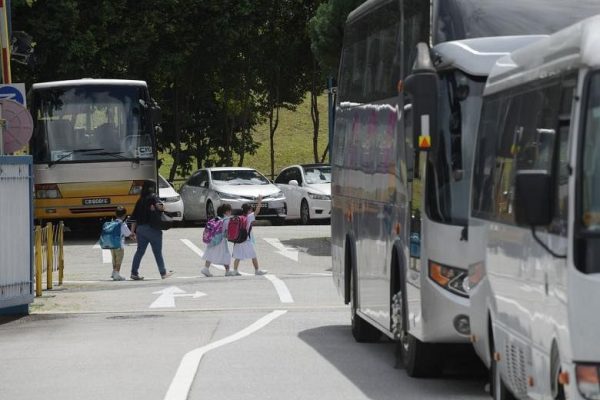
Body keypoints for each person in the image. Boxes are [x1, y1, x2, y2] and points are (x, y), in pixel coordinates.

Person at [130, 180, 174, 280]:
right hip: (152, 228)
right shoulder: (153, 197)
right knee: (157, 252)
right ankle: (163, 273)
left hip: (140, 229)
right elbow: (161, 207)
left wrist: (132, 232)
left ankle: (134, 273)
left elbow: (134, 217)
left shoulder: (140, 200)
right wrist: (159, 207)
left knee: (139, 251)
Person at [231, 196, 267, 276]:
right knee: (253, 255)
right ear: (249, 210)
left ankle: (235, 270)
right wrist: (260, 201)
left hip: (238, 240)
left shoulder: (239, 217)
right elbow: (257, 211)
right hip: (246, 240)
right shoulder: (249, 217)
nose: (252, 211)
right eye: (251, 209)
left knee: (238, 256)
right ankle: (257, 270)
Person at [201, 204, 233, 277]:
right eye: (230, 211)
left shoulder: (216, 219)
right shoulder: (226, 220)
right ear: (226, 212)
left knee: (210, 253)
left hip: (213, 239)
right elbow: (227, 231)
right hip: (220, 241)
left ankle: (206, 268)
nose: (230, 212)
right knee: (225, 254)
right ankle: (227, 271)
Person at [111, 206, 135, 281]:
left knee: (114, 259)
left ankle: (114, 272)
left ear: (116, 214)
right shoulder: (122, 224)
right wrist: (133, 236)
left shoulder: (112, 223)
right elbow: (128, 234)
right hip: (119, 246)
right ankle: (117, 274)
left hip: (112, 245)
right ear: (124, 215)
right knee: (119, 261)